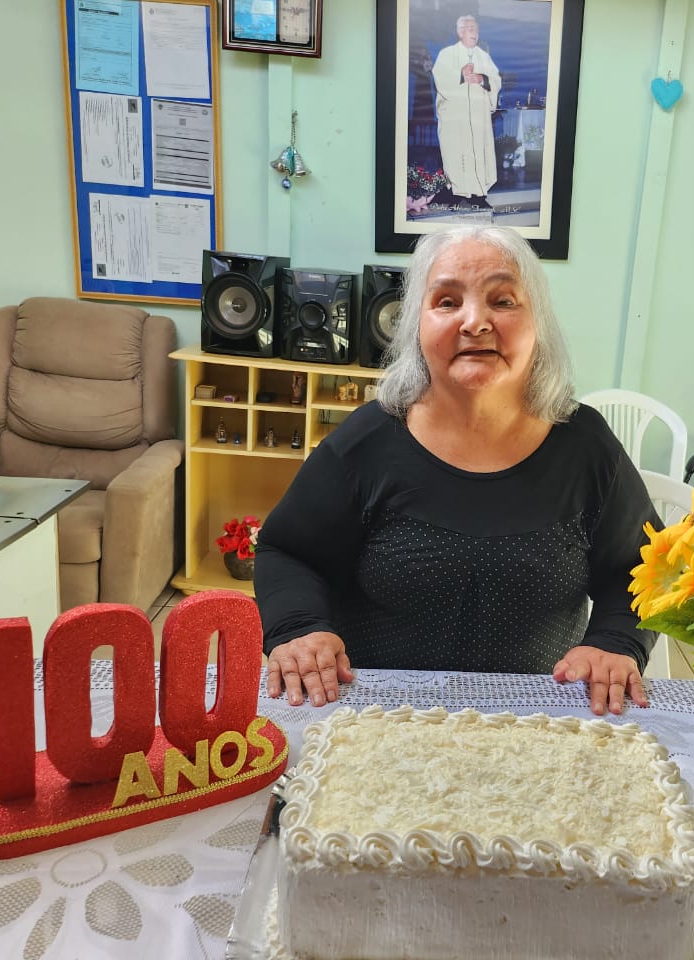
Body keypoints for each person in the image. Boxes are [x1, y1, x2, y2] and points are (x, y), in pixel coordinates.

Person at [254, 226, 658, 716]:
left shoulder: (587, 446)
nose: (475, 321)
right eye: (447, 301)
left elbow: (645, 570)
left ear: (539, 324)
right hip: (380, 718)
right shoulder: (366, 442)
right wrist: (298, 627)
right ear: (415, 326)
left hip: (540, 724)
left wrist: (615, 641)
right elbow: (289, 550)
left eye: (503, 300)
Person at [430, 15, 501, 209]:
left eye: (476, 29)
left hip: (478, 118)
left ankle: (477, 194)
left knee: (478, 151)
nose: (474, 32)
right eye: (469, 28)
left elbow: (495, 79)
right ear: (460, 32)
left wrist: (481, 78)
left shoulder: (483, 56)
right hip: (456, 117)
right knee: (455, 151)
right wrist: (460, 74)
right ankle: (454, 190)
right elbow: (440, 79)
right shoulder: (447, 54)